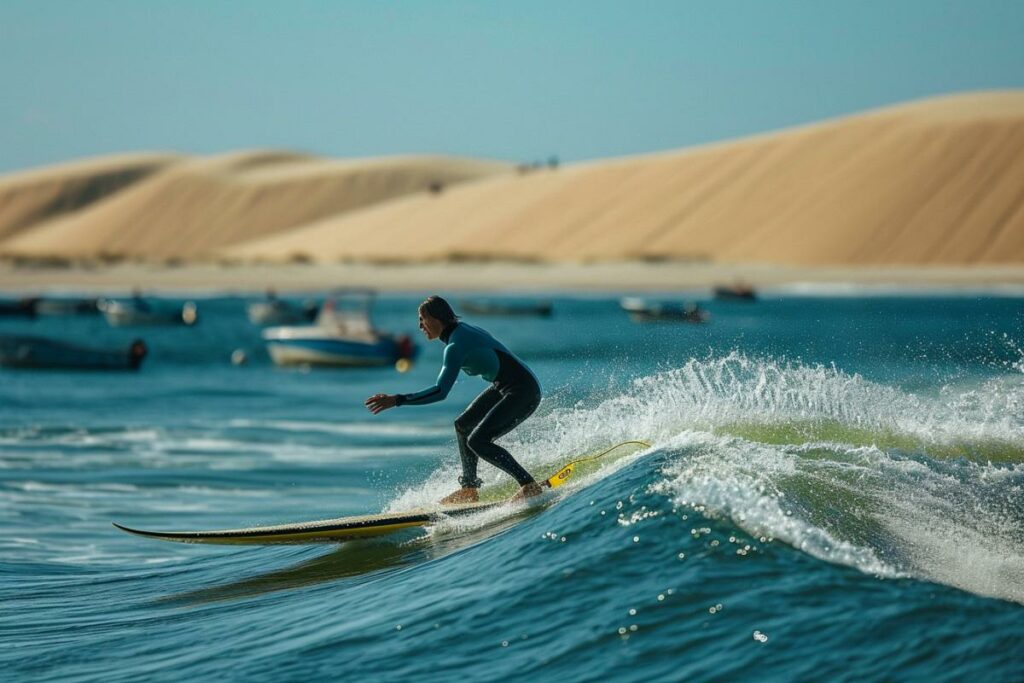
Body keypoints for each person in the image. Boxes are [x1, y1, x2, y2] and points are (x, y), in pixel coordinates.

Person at [365, 296, 543, 504]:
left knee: (478, 440)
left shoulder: (456, 345)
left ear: (436, 318)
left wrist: (398, 400)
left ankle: (528, 485)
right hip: (509, 386)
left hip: (522, 390)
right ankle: (469, 489)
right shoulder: (460, 332)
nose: (419, 325)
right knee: (463, 425)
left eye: (422, 319)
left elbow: (440, 391)